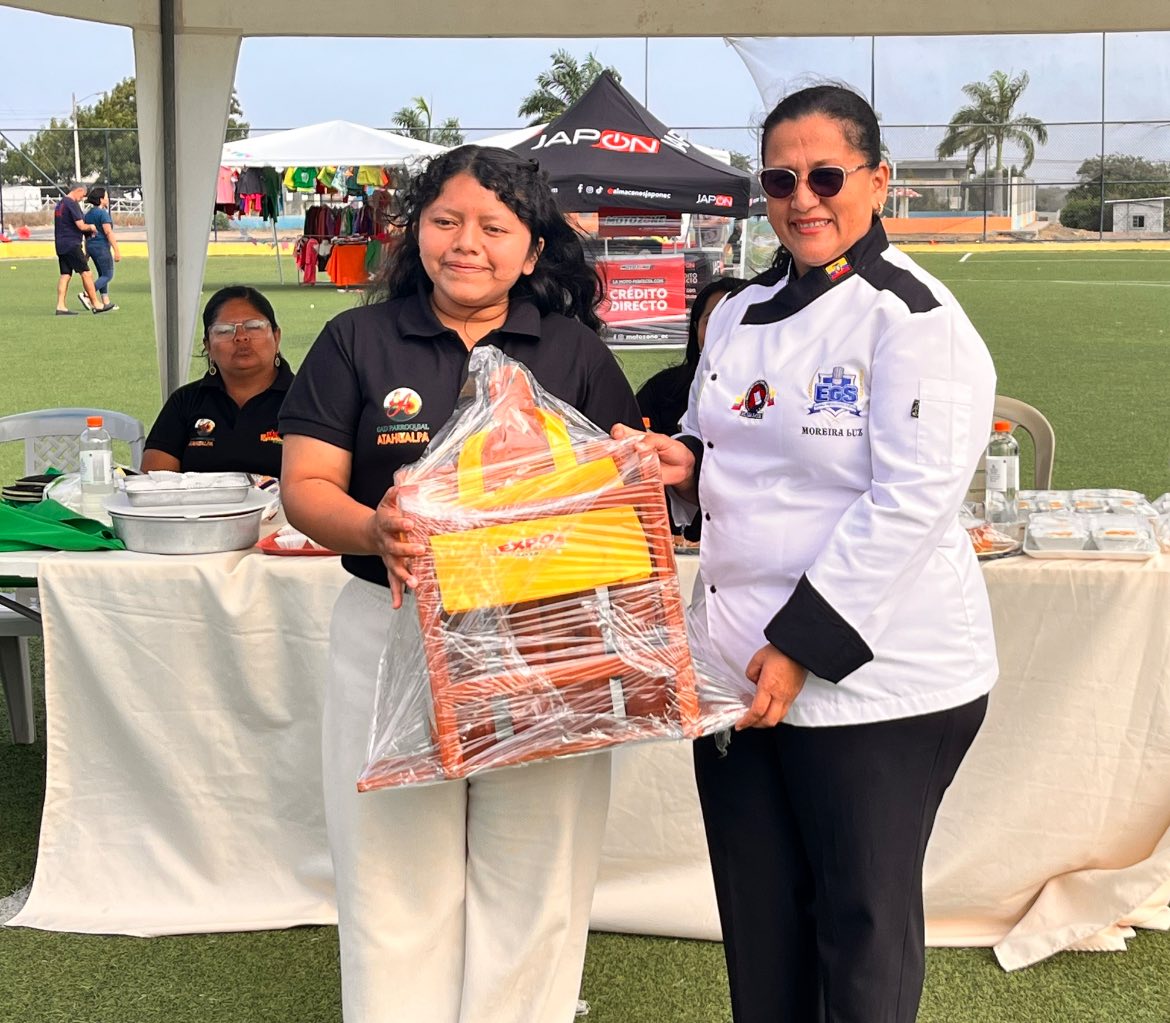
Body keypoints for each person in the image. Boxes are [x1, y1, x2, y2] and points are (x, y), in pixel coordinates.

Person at [613, 84, 998, 1023]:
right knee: (762, 925)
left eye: (827, 176)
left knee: (860, 932)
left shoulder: (915, 316)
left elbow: (911, 500)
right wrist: (682, 463)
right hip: (736, 671)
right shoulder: (739, 311)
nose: (804, 198)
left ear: (879, 180)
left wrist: (798, 646)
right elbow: (725, 445)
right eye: (781, 180)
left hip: (876, 680)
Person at [278, 145, 643, 1023]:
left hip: (546, 636)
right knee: (391, 871)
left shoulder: (574, 352)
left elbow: (623, 492)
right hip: (392, 624)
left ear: (532, 248)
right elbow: (307, 486)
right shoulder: (358, 340)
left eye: (493, 227)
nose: (466, 243)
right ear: (418, 233)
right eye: (446, 221)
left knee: (538, 869)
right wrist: (372, 529)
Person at [635, 276, 744, 546]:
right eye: (712, 321)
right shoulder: (661, 389)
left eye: (736, 321)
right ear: (696, 328)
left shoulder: (772, 392)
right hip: (672, 537)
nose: (723, 331)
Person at [141, 286, 291, 477]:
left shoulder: (305, 402)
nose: (241, 337)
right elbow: (155, 480)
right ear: (208, 346)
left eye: (254, 326)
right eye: (224, 330)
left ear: (276, 337)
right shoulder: (185, 401)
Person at [52, 181, 106, 316]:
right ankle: (96, 304)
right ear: (79, 190)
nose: (82, 198)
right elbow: (81, 225)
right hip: (72, 244)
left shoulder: (60, 204)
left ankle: (60, 306)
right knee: (86, 273)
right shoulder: (71, 203)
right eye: (83, 195)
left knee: (65, 275)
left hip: (60, 244)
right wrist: (91, 227)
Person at [83, 186, 120, 311]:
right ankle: (87, 294)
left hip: (91, 246)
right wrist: (116, 250)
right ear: (101, 199)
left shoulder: (88, 214)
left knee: (102, 274)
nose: (108, 199)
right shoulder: (102, 213)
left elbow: (86, 235)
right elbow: (108, 232)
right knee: (108, 274)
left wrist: (87, 253)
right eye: (106, 197)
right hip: (101, 247)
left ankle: (106, 301)